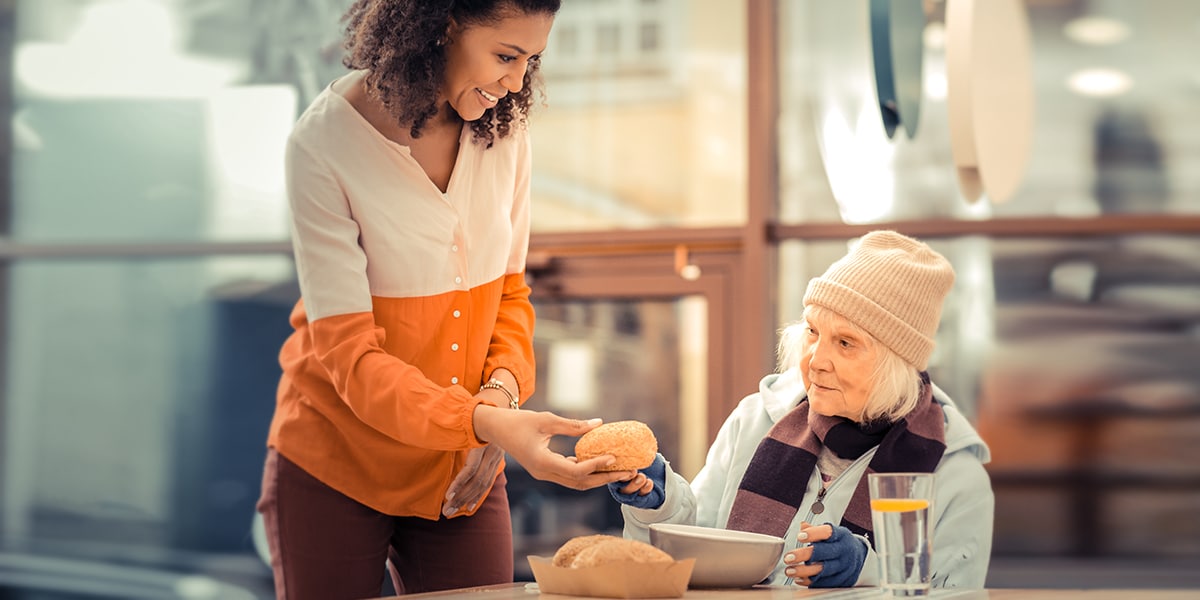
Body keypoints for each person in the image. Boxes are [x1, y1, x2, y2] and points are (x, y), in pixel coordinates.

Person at [255, 1, 635, 598]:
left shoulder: (505, 130)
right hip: (335, 461)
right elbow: (350, 359)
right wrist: (485, 425)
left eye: (531, 60)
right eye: (505, 56)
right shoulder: (324, 143)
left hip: (460, 466)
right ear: (440, 27)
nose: (516, 81)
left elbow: (509, 294)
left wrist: (496, 405)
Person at [607, 230, 994, 589]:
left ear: (895, 365)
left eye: (845, 342)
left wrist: (868, 571)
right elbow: (694, 557)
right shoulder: (754, 419)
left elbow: (956, 592)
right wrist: (661, 505)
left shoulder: (956, 474)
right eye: (812, 331)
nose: (816, 360)